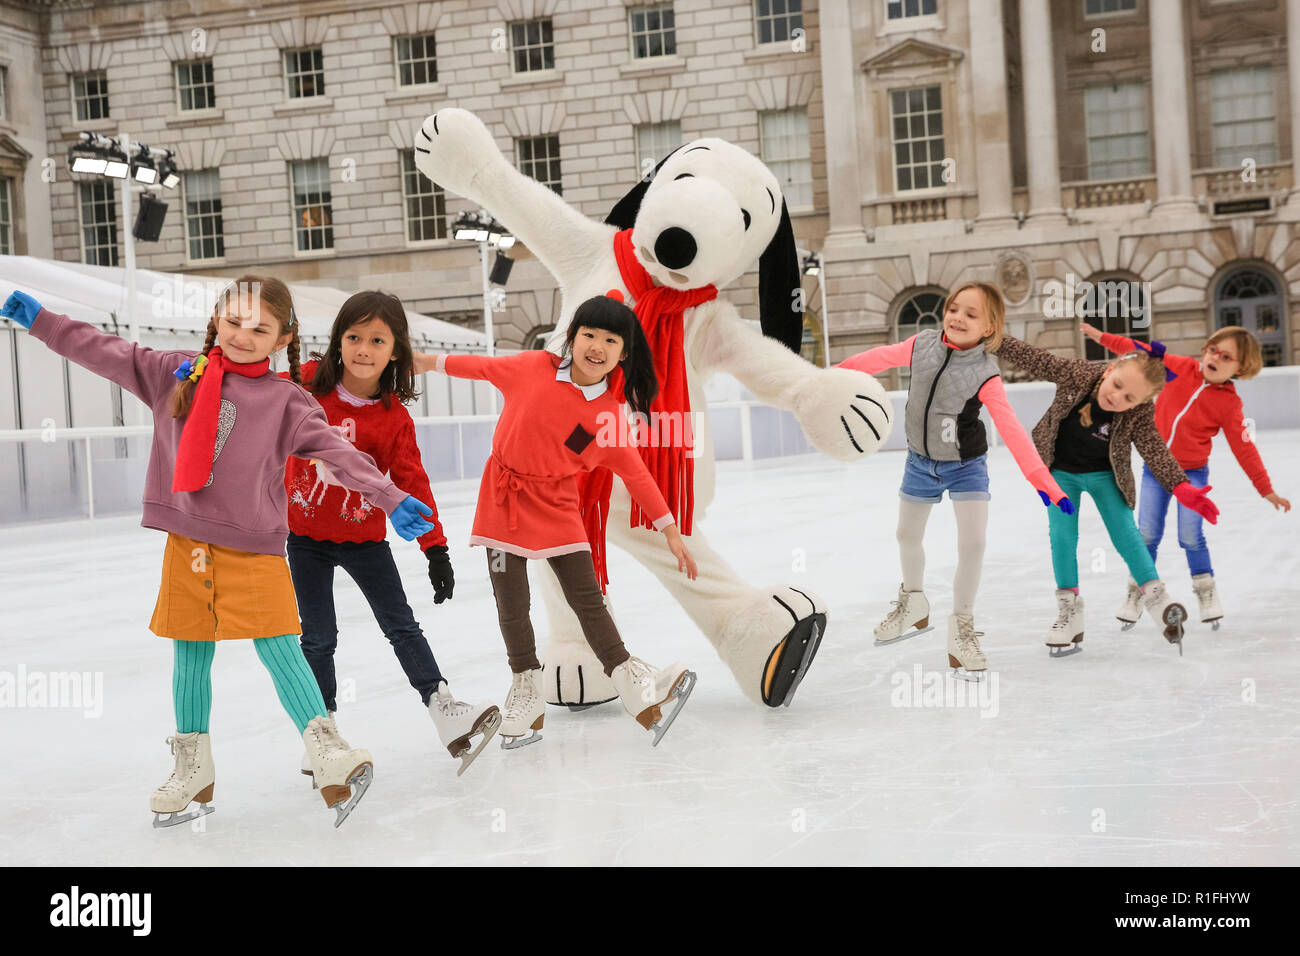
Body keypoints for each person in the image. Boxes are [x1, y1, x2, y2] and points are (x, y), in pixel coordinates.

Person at [2, 278, 436, 828]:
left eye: (260, 329)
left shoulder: (287, 401)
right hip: (189, 542)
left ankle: (326, 748)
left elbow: (340, 455)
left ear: (284, 337)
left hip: (254, 547)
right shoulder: (175, 373)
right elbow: (103, 351)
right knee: (190, 652)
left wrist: (390, 497)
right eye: (234, 322)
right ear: (215, 318)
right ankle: (193, 764)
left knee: (281, 648)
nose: (243, 336)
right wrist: (43, 321)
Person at [414, 291, 700, 747]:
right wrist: (424, 362)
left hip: (556, 507)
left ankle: (631, 682)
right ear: (573, 337)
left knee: (586, 598)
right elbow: (480, 367)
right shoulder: (532, 368)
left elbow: (637, 474)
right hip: (503, 501)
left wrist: (671, 532)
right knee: (511, 602)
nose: (597, 346)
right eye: (589, 334)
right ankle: (526, 690)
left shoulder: (608, 416)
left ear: (623, 353)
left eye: (610, 340)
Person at [284, 290, 499, 777]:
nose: (363, 348)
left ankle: (444, 709)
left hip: (364, 540)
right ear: (338, 340)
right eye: (354, 336)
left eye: (376, 340)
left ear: (395, 351)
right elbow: (252, 385)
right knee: (318, 638)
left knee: (401, 625)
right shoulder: (305, 386)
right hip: (306, 538)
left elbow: (412, 481)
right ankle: (321, 732)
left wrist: (435, 546)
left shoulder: (392, 418)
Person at [838, 280, 1070, 680]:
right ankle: (913, 603)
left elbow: (1012, 430)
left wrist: (1043, 481)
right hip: (919, 461)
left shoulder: (986, 374)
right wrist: (831, 375)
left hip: (966, 465)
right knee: (906, 535)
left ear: (989, 329)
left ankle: (961, 628)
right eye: (954, 308)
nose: (958, 317)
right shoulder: (922, 344)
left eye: (971, 313)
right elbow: (877, 358)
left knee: (974, 543)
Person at [990, 331, 1219, 655]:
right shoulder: (1080, 373)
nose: (1118, 398)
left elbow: (1153, 448)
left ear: (1139, 403)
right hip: (1061, 473)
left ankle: (1154, 596)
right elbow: (1035, 358)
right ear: (1110, 370)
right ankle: (1069, 610)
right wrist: (994, 338)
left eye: (1129, 399)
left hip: (1105, 475)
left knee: (1126, 532)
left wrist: (1181, 486)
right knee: (1062, 535)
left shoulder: (1138, 412)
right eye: (1118, 386)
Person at [1083, 322, 1290, 629]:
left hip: (1192, 475)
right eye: (1213, 350)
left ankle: (1206, 592)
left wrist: (1265, 488)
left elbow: (1244, 448)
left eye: (1226, 357)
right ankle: (1136, 592)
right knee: (1147, 535)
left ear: (1241, 367)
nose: (1215, 358)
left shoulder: (1229, 403)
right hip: (1156, 469)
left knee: (1190, 536)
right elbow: (1135, 352)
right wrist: (1102, 338)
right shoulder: (1178, 367)